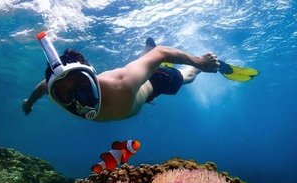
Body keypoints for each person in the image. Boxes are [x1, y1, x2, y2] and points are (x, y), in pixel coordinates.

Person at [22, 35, 256, 121]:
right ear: (56, 93)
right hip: (136, 83)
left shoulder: (122, 83)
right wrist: (29, 102)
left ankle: (189, 68)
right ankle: (145, 55)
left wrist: (198, 62)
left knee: (186, 78)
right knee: (143, 62)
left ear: (92, 75)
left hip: (153, 84)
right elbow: (43, 86)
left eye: (82, 85)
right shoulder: (54, 88)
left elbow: (161, 52)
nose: (78, 99)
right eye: (64, 93)